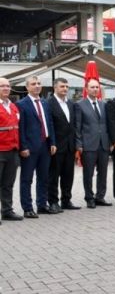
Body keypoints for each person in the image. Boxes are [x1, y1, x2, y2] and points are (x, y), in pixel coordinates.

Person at [17, 75, 56, 218]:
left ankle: (42, 205)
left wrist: (53, 142)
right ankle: (27, 208)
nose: (37, 86)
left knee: (44, 177)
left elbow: (49, 123)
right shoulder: (21, 104)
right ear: (27, 87)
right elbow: (20, 128)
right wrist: (23, 147)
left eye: (39, 83)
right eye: (33, 84)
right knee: (27, 179)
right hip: (30, 147)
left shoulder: (45, 103)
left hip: (45, 146)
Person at [75, 78, 112, 208]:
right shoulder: (79, 105)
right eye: (92, 87)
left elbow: (107, 125)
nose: (95, 89)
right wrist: (79, 144)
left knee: (103, 172)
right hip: (88, 144)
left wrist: (110, 142)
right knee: (88, 173)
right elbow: (77, 126)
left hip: (104, 144)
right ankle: (89, 198)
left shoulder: (104, 104)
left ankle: (100, 197)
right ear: (86, 89)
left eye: (97, 87)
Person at [47, 77, 80, 212]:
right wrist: (52, 143)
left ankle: (66, 200)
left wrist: (76, 144)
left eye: (67, 86)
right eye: (62, 86)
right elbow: (49, 125)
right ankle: (53, 202)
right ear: (55, 87)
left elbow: (73, 125)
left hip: (70, 146)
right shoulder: (49, 103)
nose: (65, 89)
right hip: (56, 146)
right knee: (54, 176)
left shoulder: (71, 104)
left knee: (68, 175)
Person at [0, 77, 23, 222]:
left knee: (8, 184)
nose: (6, 88)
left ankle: (7, 211)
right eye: (2, 86)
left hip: (13, 150)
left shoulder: (13, 107)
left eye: (8, 86)